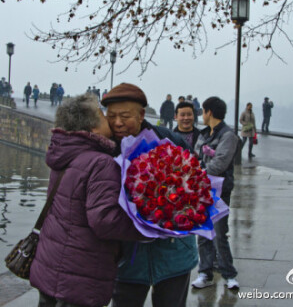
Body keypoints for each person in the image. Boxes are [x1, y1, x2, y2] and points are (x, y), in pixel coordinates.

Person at [29, 94, 147, 307]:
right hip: (80, 274)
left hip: (51, 266)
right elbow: (104, 221)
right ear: (92, 129)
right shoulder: (100, 162)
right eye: (103, 116)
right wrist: (146, 230)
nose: (110, 121)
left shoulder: (64, 154)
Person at [101, 83, 198, 307]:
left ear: (142, 114)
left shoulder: (168, 140)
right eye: (112, 116)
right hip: (127, 258)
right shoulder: (105, 147)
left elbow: (195, 185)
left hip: (174, 253)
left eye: (125, 116)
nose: (117, 123)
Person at [192, 96, 240, 290]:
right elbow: (196, 154)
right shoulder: (204, 134)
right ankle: (205, 272)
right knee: (203, 234)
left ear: (209, 112)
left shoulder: (228, 135)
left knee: (220, 233)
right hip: (202, 190)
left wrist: (199, 172)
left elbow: (220, 163)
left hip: (219, 191)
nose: (201, 115)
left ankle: (229, 274)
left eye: (202, 111)